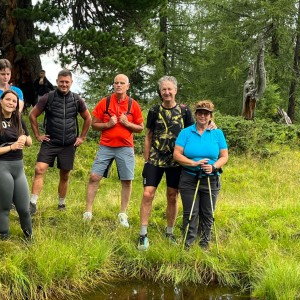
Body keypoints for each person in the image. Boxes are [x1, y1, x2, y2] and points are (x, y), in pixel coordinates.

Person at [137, 75, 195, 250]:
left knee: (172, 196)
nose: (167, 92)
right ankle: (143, 234)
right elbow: (148, 135)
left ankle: (169, 232)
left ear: (176, 90)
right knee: (148, 194)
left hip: (176, 161)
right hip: (155, 159)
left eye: (170, 89)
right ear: (160, 92)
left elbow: (194, 131)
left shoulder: (185, 111)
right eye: (164, 89)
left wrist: (211, 124)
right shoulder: (154, 111)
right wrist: (146, 160)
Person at [83, 74, 144, 227]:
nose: (118, 85)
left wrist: (127, 123)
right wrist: (108, 125)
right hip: (106, 146)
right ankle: (88, 212)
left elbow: (140, 128)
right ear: (113, 85)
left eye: (122, 83)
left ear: (127, 86)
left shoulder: (133, 105)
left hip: (125, 147)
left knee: (127, 180)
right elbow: (94, 124)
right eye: (116, 82)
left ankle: (123, 214)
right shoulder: (105, 102)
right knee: (94, 177)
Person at [28, 69, 92, 214]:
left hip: (69, 144)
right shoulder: (47, 97)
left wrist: (81, 137)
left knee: (65, 175)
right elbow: (33, 115)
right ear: (57, 82)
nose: (64, 84)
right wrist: (38, 135)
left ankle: (61, 204)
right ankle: (32, 203)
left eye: (67, 82)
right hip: (50, 142)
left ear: (71, 83)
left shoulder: (77, 99)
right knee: (39, 169)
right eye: (61, 82)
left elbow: (88, 118)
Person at [173, 100, 228, 249]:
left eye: (206, 113)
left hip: (211, 178)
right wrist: (194, 163)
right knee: (190, 212)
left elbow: (224, 156)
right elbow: (177, 155)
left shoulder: (217, 133)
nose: (203, 116)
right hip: (189, 177)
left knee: (208, 213)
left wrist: (214, 166)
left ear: (210, 116)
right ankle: (188, 244)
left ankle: (204, 245)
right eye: (200, 113)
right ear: (196, 114)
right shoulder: (186, 132)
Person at [0, 90, 33, 240]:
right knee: (4, 208)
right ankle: (4, 240)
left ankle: (29, 239)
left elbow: (30, 142)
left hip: (18, 168)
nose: (11, 103)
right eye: (8, 100)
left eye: (14, 101)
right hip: (1, 168)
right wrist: (10, 147)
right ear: (1, 101)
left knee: (24, 209)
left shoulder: (18, 120)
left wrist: (24, 137)